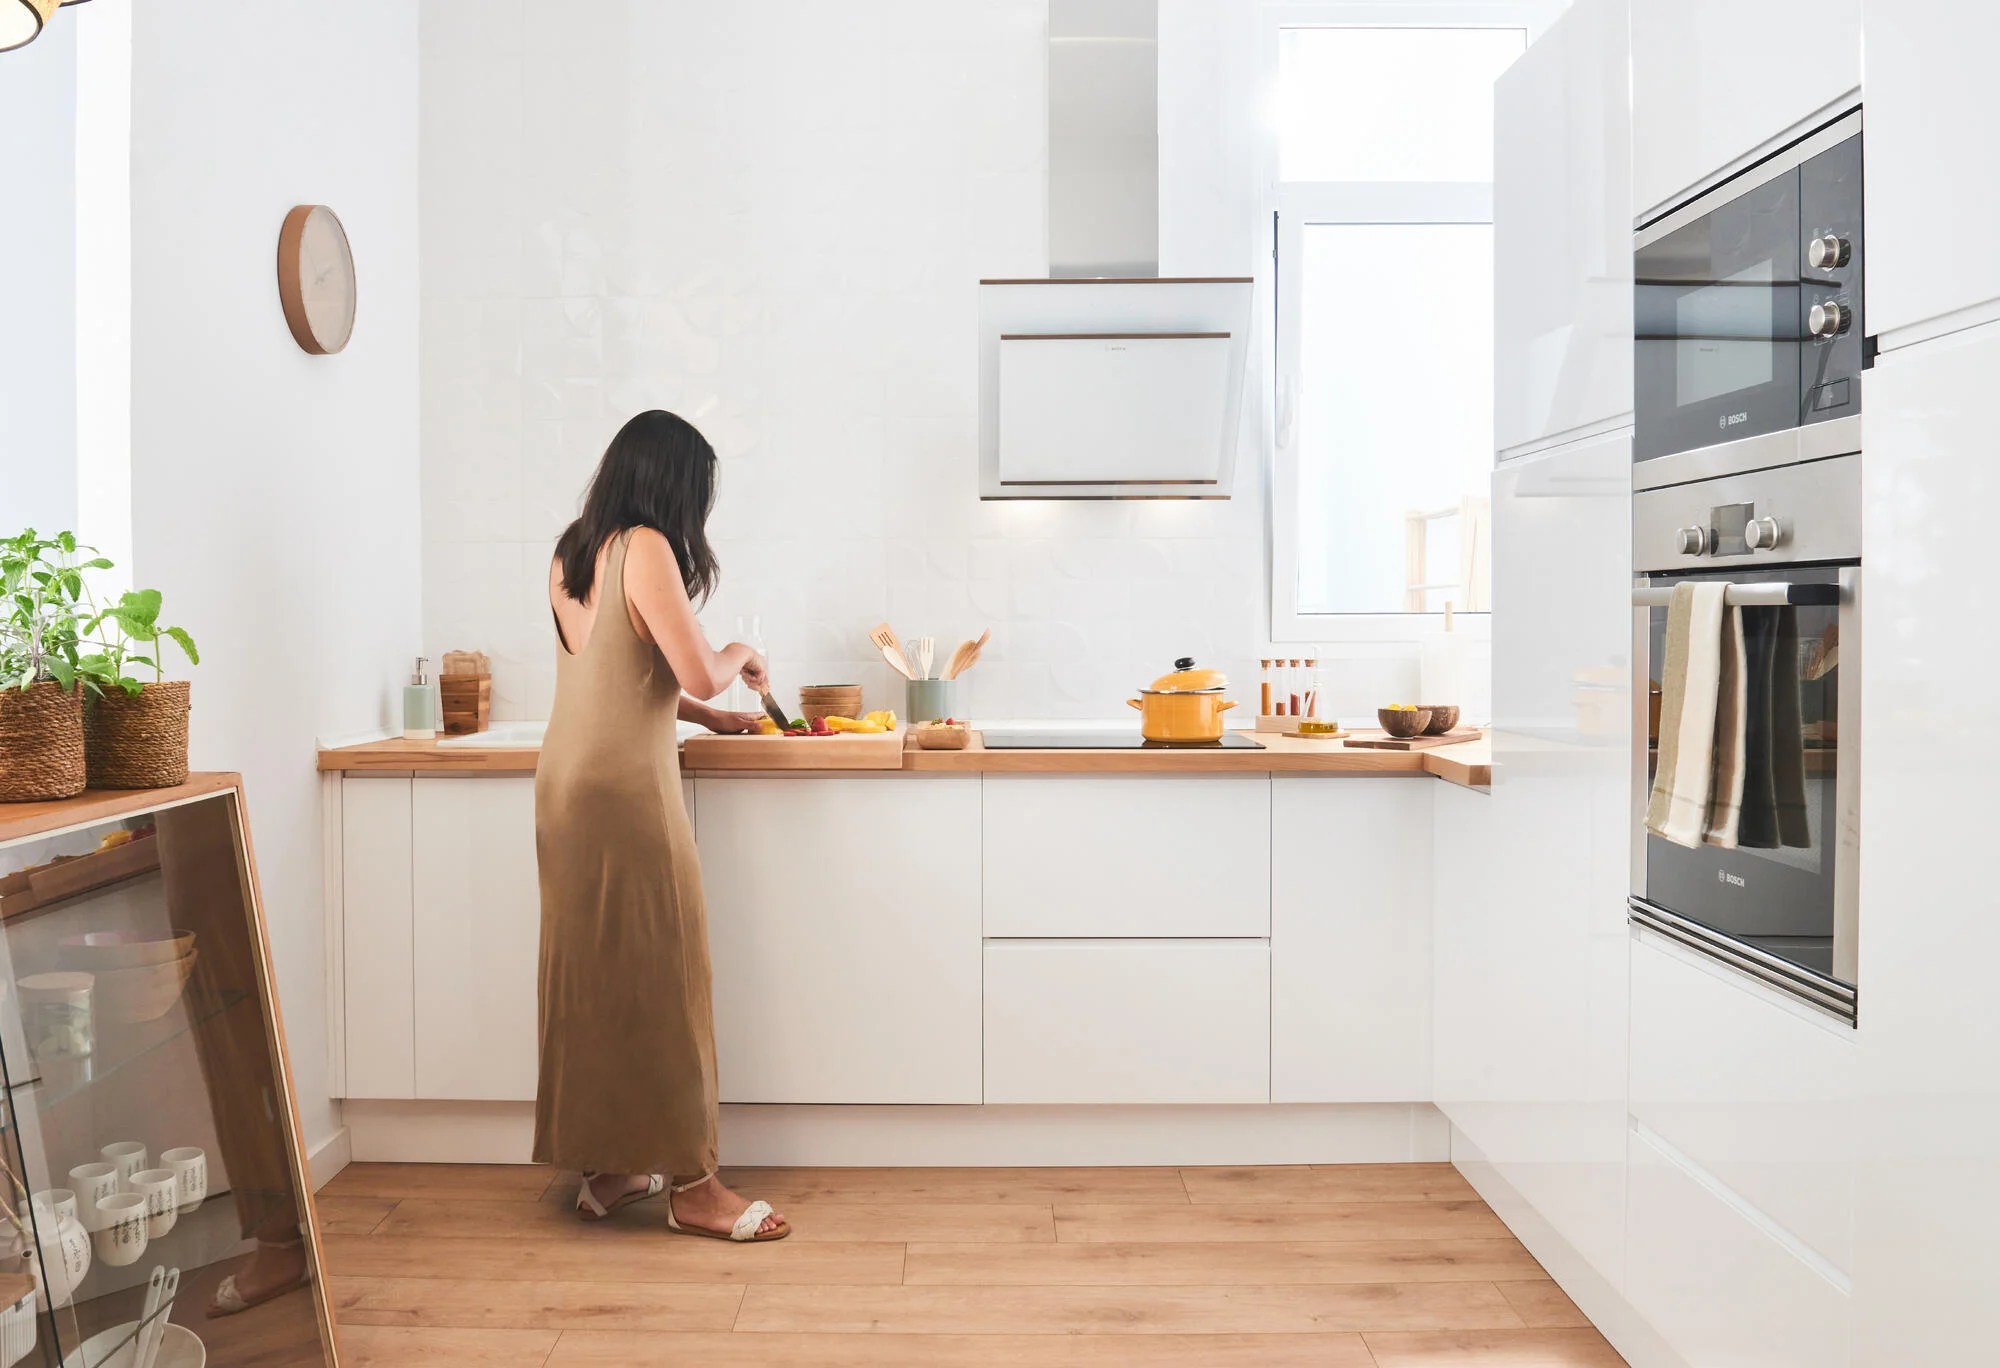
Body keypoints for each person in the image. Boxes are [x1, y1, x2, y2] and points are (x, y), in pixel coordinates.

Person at [533, 410, 788, 1242]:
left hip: (566, 784)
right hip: (624, 792)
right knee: (668, 972)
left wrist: (705, 725)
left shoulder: (575, 550)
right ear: (673, 483)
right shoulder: (645, 545)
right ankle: (693, 1185)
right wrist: (741, 652)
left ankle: (611, 1166)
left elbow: (622, 672)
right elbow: (699, 671)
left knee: (596, 978)